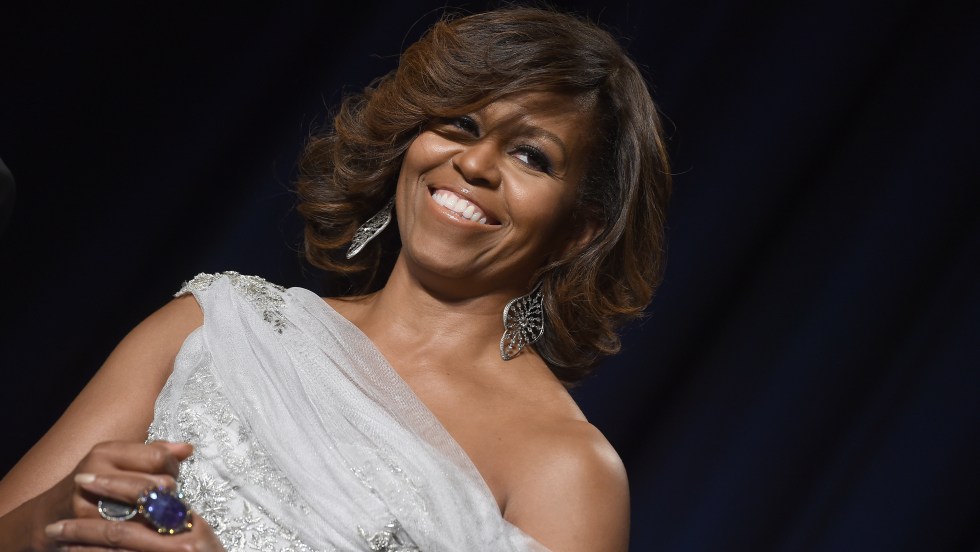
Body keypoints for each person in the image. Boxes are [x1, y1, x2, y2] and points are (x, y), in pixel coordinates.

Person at [0, 7, 671, 551]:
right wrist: (48, 521)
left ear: (579, 231)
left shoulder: (566, 468)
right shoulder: (217, 324)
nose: (474, 163)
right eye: (461, 124)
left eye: (530, 156)